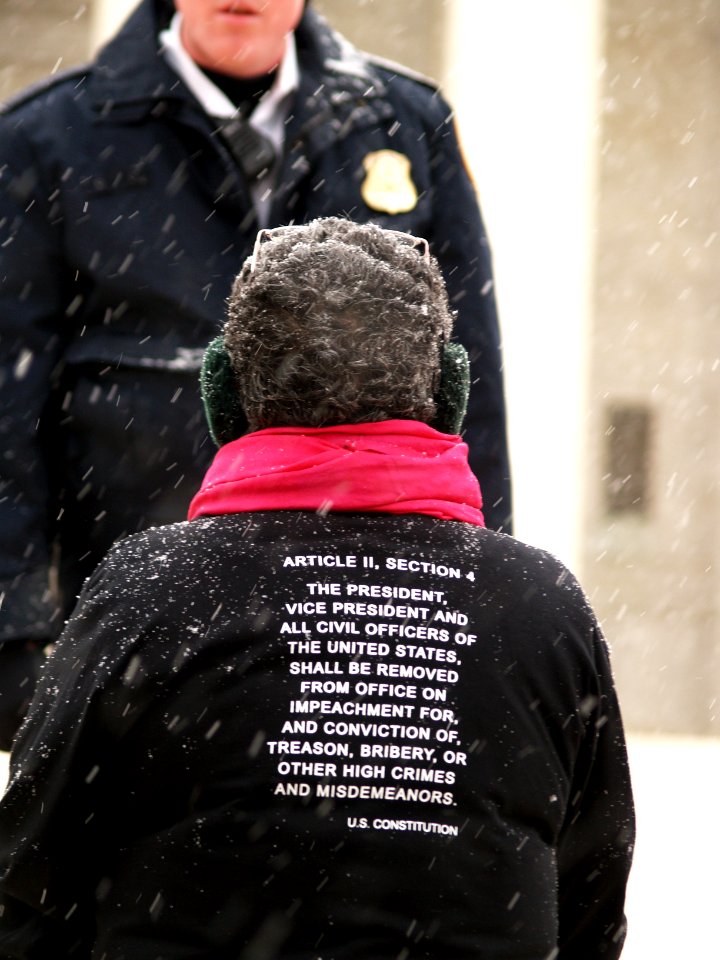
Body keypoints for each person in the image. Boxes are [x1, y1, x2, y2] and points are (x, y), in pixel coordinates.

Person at [0, 219, 634, 960]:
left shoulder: (151, 585)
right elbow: (591, 901)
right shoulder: (543, 603)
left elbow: (30, 880)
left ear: (224, 393)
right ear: (450, 391)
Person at [0, 0, 511, 749]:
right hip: (138, 631)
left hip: (362, 629)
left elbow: (471, 388)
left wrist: (486, 605)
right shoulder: (44, 139)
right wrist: (13, 633)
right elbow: (6, 406)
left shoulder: (404, 124)